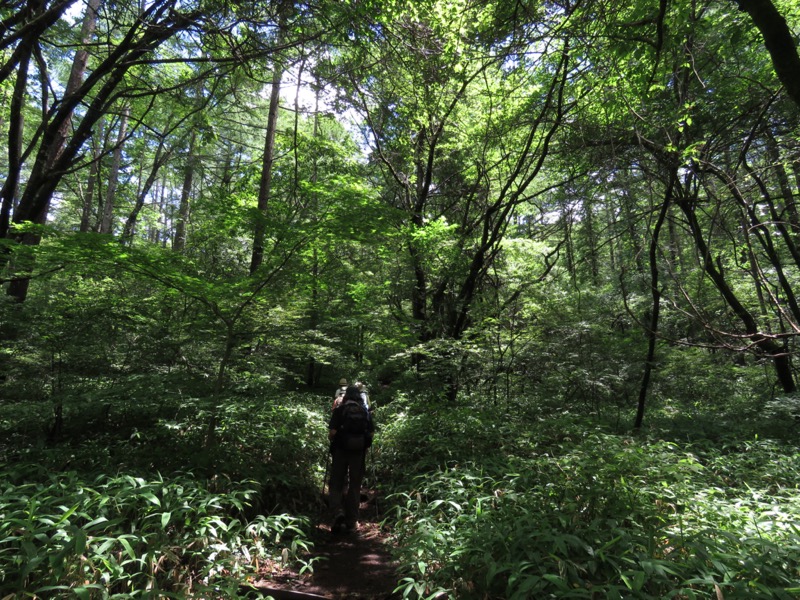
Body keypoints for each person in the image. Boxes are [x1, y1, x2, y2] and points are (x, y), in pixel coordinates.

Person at [328, 385, 374, 534]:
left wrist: (334, 440)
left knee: (336, 482)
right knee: (355, 484)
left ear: (346, 395)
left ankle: (337, 512)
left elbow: (332, 432)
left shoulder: (340, 410)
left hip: (340, 451)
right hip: (358, 452)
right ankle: (352, 521)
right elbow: (371, 433)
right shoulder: (364, 411)